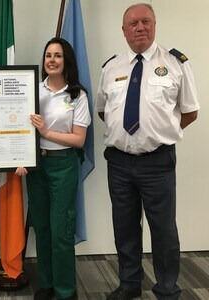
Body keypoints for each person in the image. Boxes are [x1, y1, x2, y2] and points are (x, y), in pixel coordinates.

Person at [96, 4, 199, 300]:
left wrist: (158, 134)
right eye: (133, 23)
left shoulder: (176, 62)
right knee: (124, 228)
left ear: (154, 25)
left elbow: (189, 112)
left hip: (158, 162)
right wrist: (130, 138)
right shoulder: (111, 67)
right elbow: (105, 111)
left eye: (145, 22)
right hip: (118, 163)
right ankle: (129, 284)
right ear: (124, 30)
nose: (140, 27)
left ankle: (167, 290)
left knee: (164, 231)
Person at [16, 37, 91, 300]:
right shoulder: (32, 90)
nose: (52, 60)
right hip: (36, 166)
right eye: (48, 55)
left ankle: (65, 289)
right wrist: (21, 156)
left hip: (63, 165)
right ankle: (47, 285)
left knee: (61, 229)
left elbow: (79, 139)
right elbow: (21, 130)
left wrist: (46, 131)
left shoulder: (77, 94)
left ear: (66, 60)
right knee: (43, 226)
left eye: (58, 55)